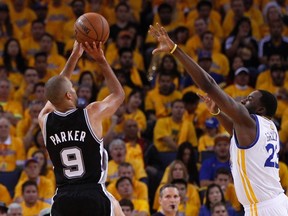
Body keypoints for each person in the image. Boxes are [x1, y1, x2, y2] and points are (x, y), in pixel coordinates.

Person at [149, 23, 288, 215]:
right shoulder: (268, 127)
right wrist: (216, 113)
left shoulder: (249, 120)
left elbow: (208, 83)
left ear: (260, 108)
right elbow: (235, 132)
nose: (243, 99)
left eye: (249, 99)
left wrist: (174, 49)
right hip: (274, 203)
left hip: (265, 208)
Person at [38, 40, 125, 216]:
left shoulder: (44, 121)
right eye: (72, 88)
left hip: (64, 197)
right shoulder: (91, 113)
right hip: (92, 194)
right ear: (69, 95)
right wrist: (100, 59)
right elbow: (118, 94)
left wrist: (73, 57)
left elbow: (54, 93)